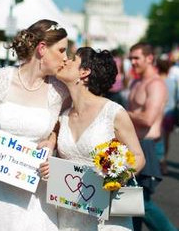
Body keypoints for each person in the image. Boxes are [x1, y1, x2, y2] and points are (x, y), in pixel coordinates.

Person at [0, 19, 70, 230]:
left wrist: (51, 139)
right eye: (62, 50)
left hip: (30, 191)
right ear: (42, 49)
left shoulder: (60, 92)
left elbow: (63, 124)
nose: (66, 58)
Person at [40, 47, 146, 230]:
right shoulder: (63, 116)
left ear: (84, 72)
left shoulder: (113, 112)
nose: (65, 61)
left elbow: (138, 157)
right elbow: (56, 152)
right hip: (68, 215)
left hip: (106, 217)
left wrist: (117, 177)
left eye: (72, 59)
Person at [127, 42, 178, 231]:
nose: (132, 62)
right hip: (133, 144)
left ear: (149, 58)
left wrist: (121, 113)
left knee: (141, 202)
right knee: (129, 202)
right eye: (130, 58)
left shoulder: (156, 84)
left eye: (136, 58)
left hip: (147, 145)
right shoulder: (135, 82)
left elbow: (148, 119)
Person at [156, 59, 179, 175]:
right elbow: (177, 98)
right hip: (170, 112)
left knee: (157, 138)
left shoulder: (155, 82)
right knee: (166, 138)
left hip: (157, 112)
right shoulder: (173, 82)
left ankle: (159, 161)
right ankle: (164, 160)